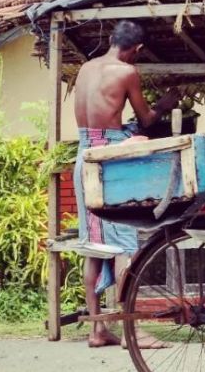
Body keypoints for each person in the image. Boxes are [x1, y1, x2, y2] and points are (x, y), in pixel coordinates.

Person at [73, 19, 180, 347]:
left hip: (83, 154)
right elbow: (146, 118)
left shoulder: (86, 68)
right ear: (136, 49)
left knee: (93, 244)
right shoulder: (127, 71)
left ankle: (97, 330)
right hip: (110, 160)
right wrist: (166, 103)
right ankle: (133, 332)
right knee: (124, 246)